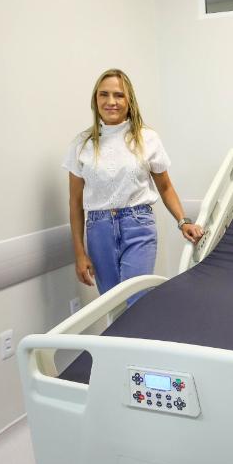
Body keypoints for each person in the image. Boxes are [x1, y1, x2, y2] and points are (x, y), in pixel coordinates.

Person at [63, 68, 203, 305]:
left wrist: (183, 221)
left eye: (119, 95)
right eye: (104, 94)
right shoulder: (81, 144)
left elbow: (165, 187)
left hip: (138, 225)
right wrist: (79, 253)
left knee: (136, 301)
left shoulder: (147, 138)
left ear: (129, 101)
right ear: (95, 99)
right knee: (110, 304)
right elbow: (75, 203)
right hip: (98, 229)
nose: (111, 101)